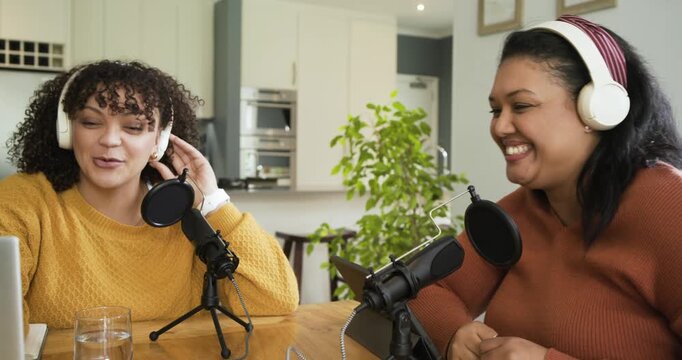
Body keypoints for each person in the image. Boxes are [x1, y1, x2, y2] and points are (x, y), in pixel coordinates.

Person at [410, 15, 682, 359]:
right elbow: (426, 289)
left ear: (598, 110)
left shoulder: (669, 207)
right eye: (495, 110)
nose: (500, 126)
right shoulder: (519, 212)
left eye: (521, 105)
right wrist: (453, 335)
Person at [0, 60, 299, 330]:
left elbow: (276, 299)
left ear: (159, 141)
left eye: (133, 126)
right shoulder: (24, 201)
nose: (110, 140)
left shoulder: (187, 219)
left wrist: (212, 202)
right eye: (91, 122)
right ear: (66, 130)